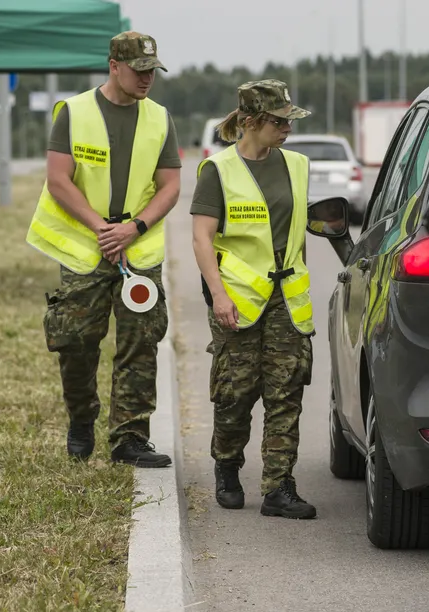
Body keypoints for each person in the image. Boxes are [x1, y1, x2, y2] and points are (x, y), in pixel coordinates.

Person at [26, 31, 181, 467]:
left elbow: (170, 186)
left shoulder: (160, 118)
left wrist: (134, 228)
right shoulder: (74, 112)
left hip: (138, 252)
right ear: (114, 66)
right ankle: (81, 417)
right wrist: (101, 229)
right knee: (75, 341)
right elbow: (58, 180)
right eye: (139, 70)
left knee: (140, 342)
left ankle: (130, 438)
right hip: (85, 249)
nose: (148, 79)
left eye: (153, 71)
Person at [190, 79, 318, 520]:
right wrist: (218, 294)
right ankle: (227, 466)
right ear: (250, 121)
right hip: (238, 300)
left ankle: (279, 487)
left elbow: (300, 228)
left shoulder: (298, 165)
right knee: (235, 394)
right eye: (278, 122)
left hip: (287, 298)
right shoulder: (218, 170)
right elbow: (202, 238)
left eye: (288, 121)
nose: (287, 129)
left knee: (286, 392)